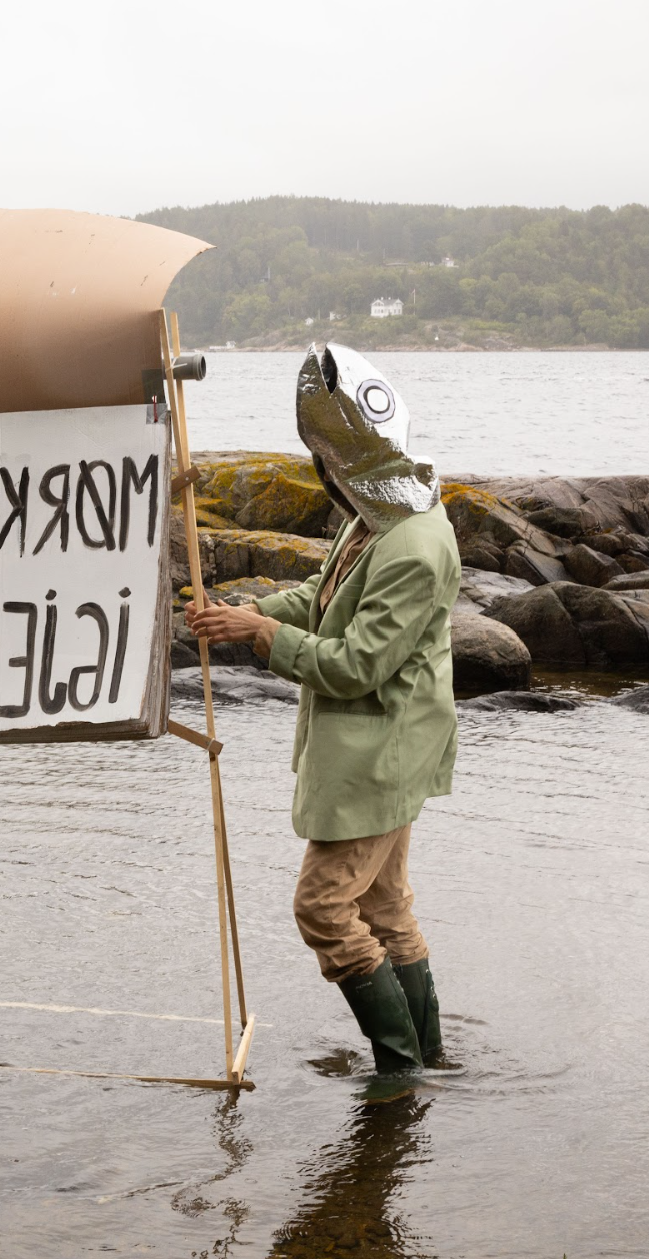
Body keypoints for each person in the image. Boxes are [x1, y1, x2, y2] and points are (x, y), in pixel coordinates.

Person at [186, 345, 458, 1085]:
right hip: (391, 746)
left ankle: (398, 1072)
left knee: (324, 908)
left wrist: (262, 635)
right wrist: (247, 613)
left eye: (331, 463)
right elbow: (325, 599)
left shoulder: (412, 544)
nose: (326, 476)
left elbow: (357, 665)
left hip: (384, 752)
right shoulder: (379, 517)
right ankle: (426, 1066)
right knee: (385, 904)